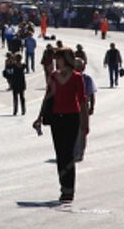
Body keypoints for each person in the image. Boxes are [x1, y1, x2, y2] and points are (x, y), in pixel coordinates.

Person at [33, 47, 89, 203]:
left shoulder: (77, 77)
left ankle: (69, 190)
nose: (56, 61)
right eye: (56, 59)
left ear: (67, 59)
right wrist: (39, 117)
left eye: (59, 58)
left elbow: (83, 102)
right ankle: (63, 188)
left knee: (68, 154)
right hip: (57, 119)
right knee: (60, 154)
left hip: (72, 118)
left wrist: (85, 123)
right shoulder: (53, 76)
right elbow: (47, 97)